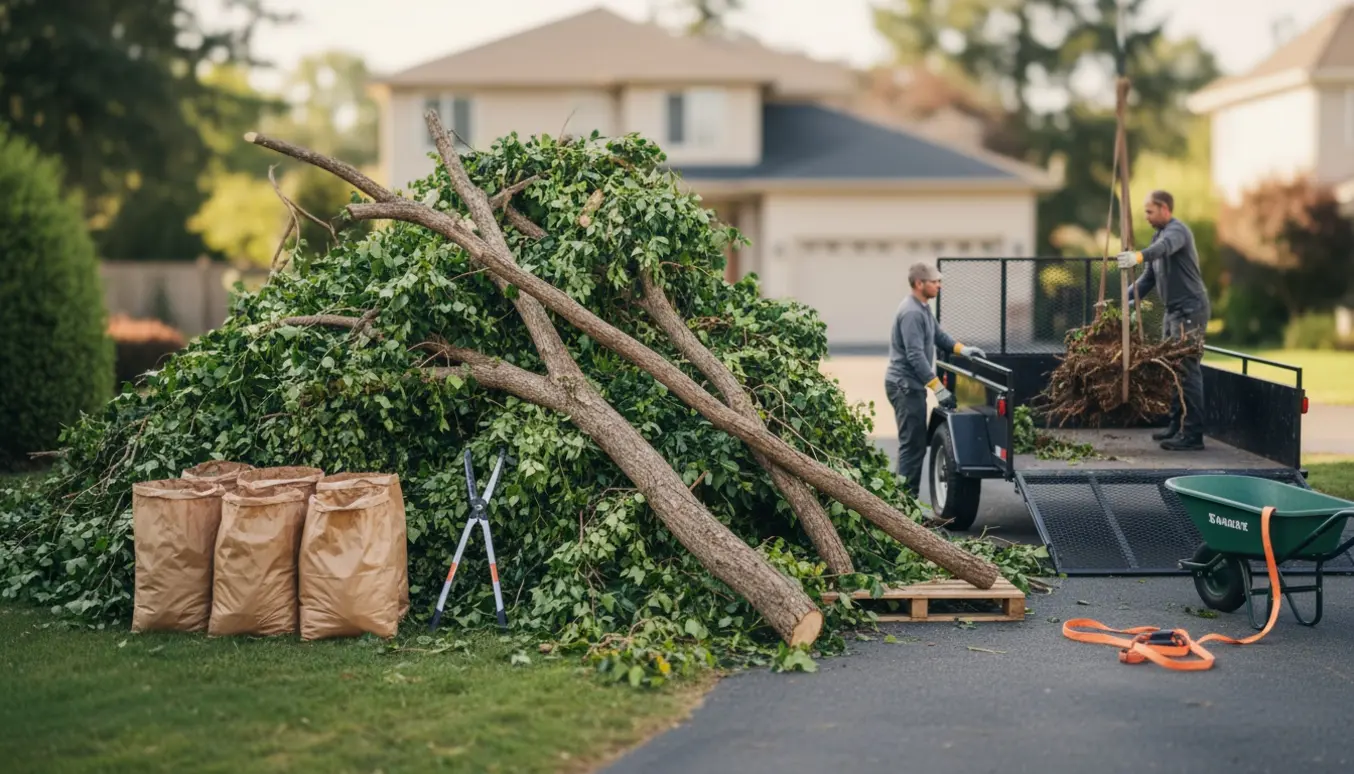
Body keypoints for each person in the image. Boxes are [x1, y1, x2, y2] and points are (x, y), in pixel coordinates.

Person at [1116, 189, 1211, 451]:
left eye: (1150, 211)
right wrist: (1122, 300)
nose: (1146, 216)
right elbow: (1147, 279)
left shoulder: (1176, 232)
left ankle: (1192, 436)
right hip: (1173, 311)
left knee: (1187, 370)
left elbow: (1163, 249)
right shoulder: (1158, 236)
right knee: (1173, 368)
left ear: (1165, 209)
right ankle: (1175, 426)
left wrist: (1138, 256)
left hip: (1190, 310)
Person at [885, 261, 986, 498]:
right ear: (919, 283)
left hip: (910, 385)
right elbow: (915, 355)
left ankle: (903, 507)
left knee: (915, 446)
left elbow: (939, 336)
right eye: (934, 281)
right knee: (913, 447)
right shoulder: (911, 312)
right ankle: (903, 509)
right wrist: (938, 388)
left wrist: (963, 350)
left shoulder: (922, 308)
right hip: (904, 386)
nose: (939, 285)